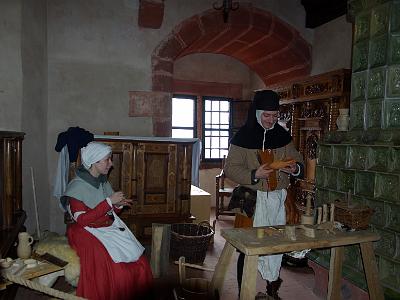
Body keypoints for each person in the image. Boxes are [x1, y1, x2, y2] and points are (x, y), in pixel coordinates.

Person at [224, 90, 304, 299]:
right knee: (246, 246)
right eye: (266, 115)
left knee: (276, 245)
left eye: (275, 116)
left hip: (278, 199)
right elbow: (230, 168)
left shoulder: (283, 136)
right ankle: (245, 292)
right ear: (257, 113)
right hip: (252, 199)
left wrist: (293, 168)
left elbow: (298, 159)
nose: (271, 120)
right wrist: (254, 173)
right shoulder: (243, 136)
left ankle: (271, 290)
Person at [64, 142, 153, 300]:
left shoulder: (102, 181)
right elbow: (82, 220)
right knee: (116, 270)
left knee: (140, 262)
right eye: (107, 160)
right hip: (84, 231)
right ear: (95, 161)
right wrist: (108, 202)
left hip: (106, 227)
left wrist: (117, 205)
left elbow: (108, 212)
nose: (111, 163)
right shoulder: (76, 186)